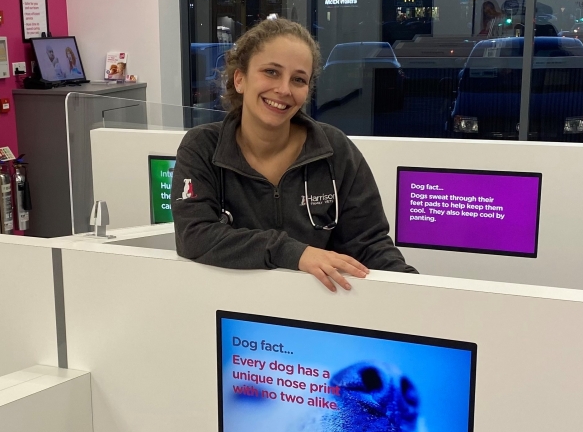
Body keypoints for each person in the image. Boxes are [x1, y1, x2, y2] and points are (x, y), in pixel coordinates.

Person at [172, 18, 415, 293]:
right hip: (231, 312)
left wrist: (418, 290)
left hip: (317, 315)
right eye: (271, 72)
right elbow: (193, 235)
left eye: (298, 79)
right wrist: (294, 253)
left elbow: (370, 246)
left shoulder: (335, 150)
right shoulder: (202, 147)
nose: (284, 89)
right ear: (240, 79)